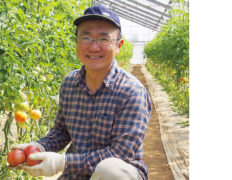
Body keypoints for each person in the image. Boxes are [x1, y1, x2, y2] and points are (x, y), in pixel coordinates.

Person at [11, 4, 152, 180]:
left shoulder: (132, 92)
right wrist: (39, 147)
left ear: (118, 46)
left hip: (120, 175)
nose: (93, 47)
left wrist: (62, 163)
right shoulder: (70, 83)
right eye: (86, 38)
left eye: (103, 39)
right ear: (77, 42)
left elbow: (121, 153)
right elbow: (62, 132)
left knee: (110, 171)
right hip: (76, 174)